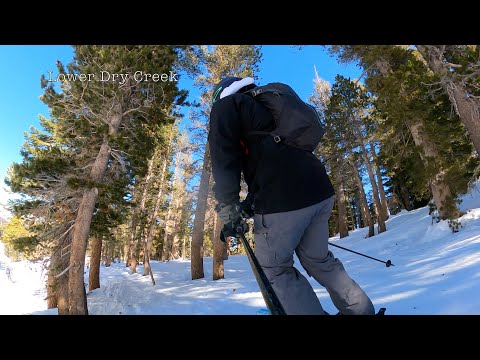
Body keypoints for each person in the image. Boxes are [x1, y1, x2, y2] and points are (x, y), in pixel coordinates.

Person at [208, 76, 375, 315]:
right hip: (319, 191)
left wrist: (227, 205)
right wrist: (248, 205)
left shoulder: (226, 106)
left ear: (219, 96)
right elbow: (272, 161)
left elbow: (224, 158)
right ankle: (361, 311)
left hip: (282, 203)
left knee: (275, 269)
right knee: (319, 260)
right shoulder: (267, 105)